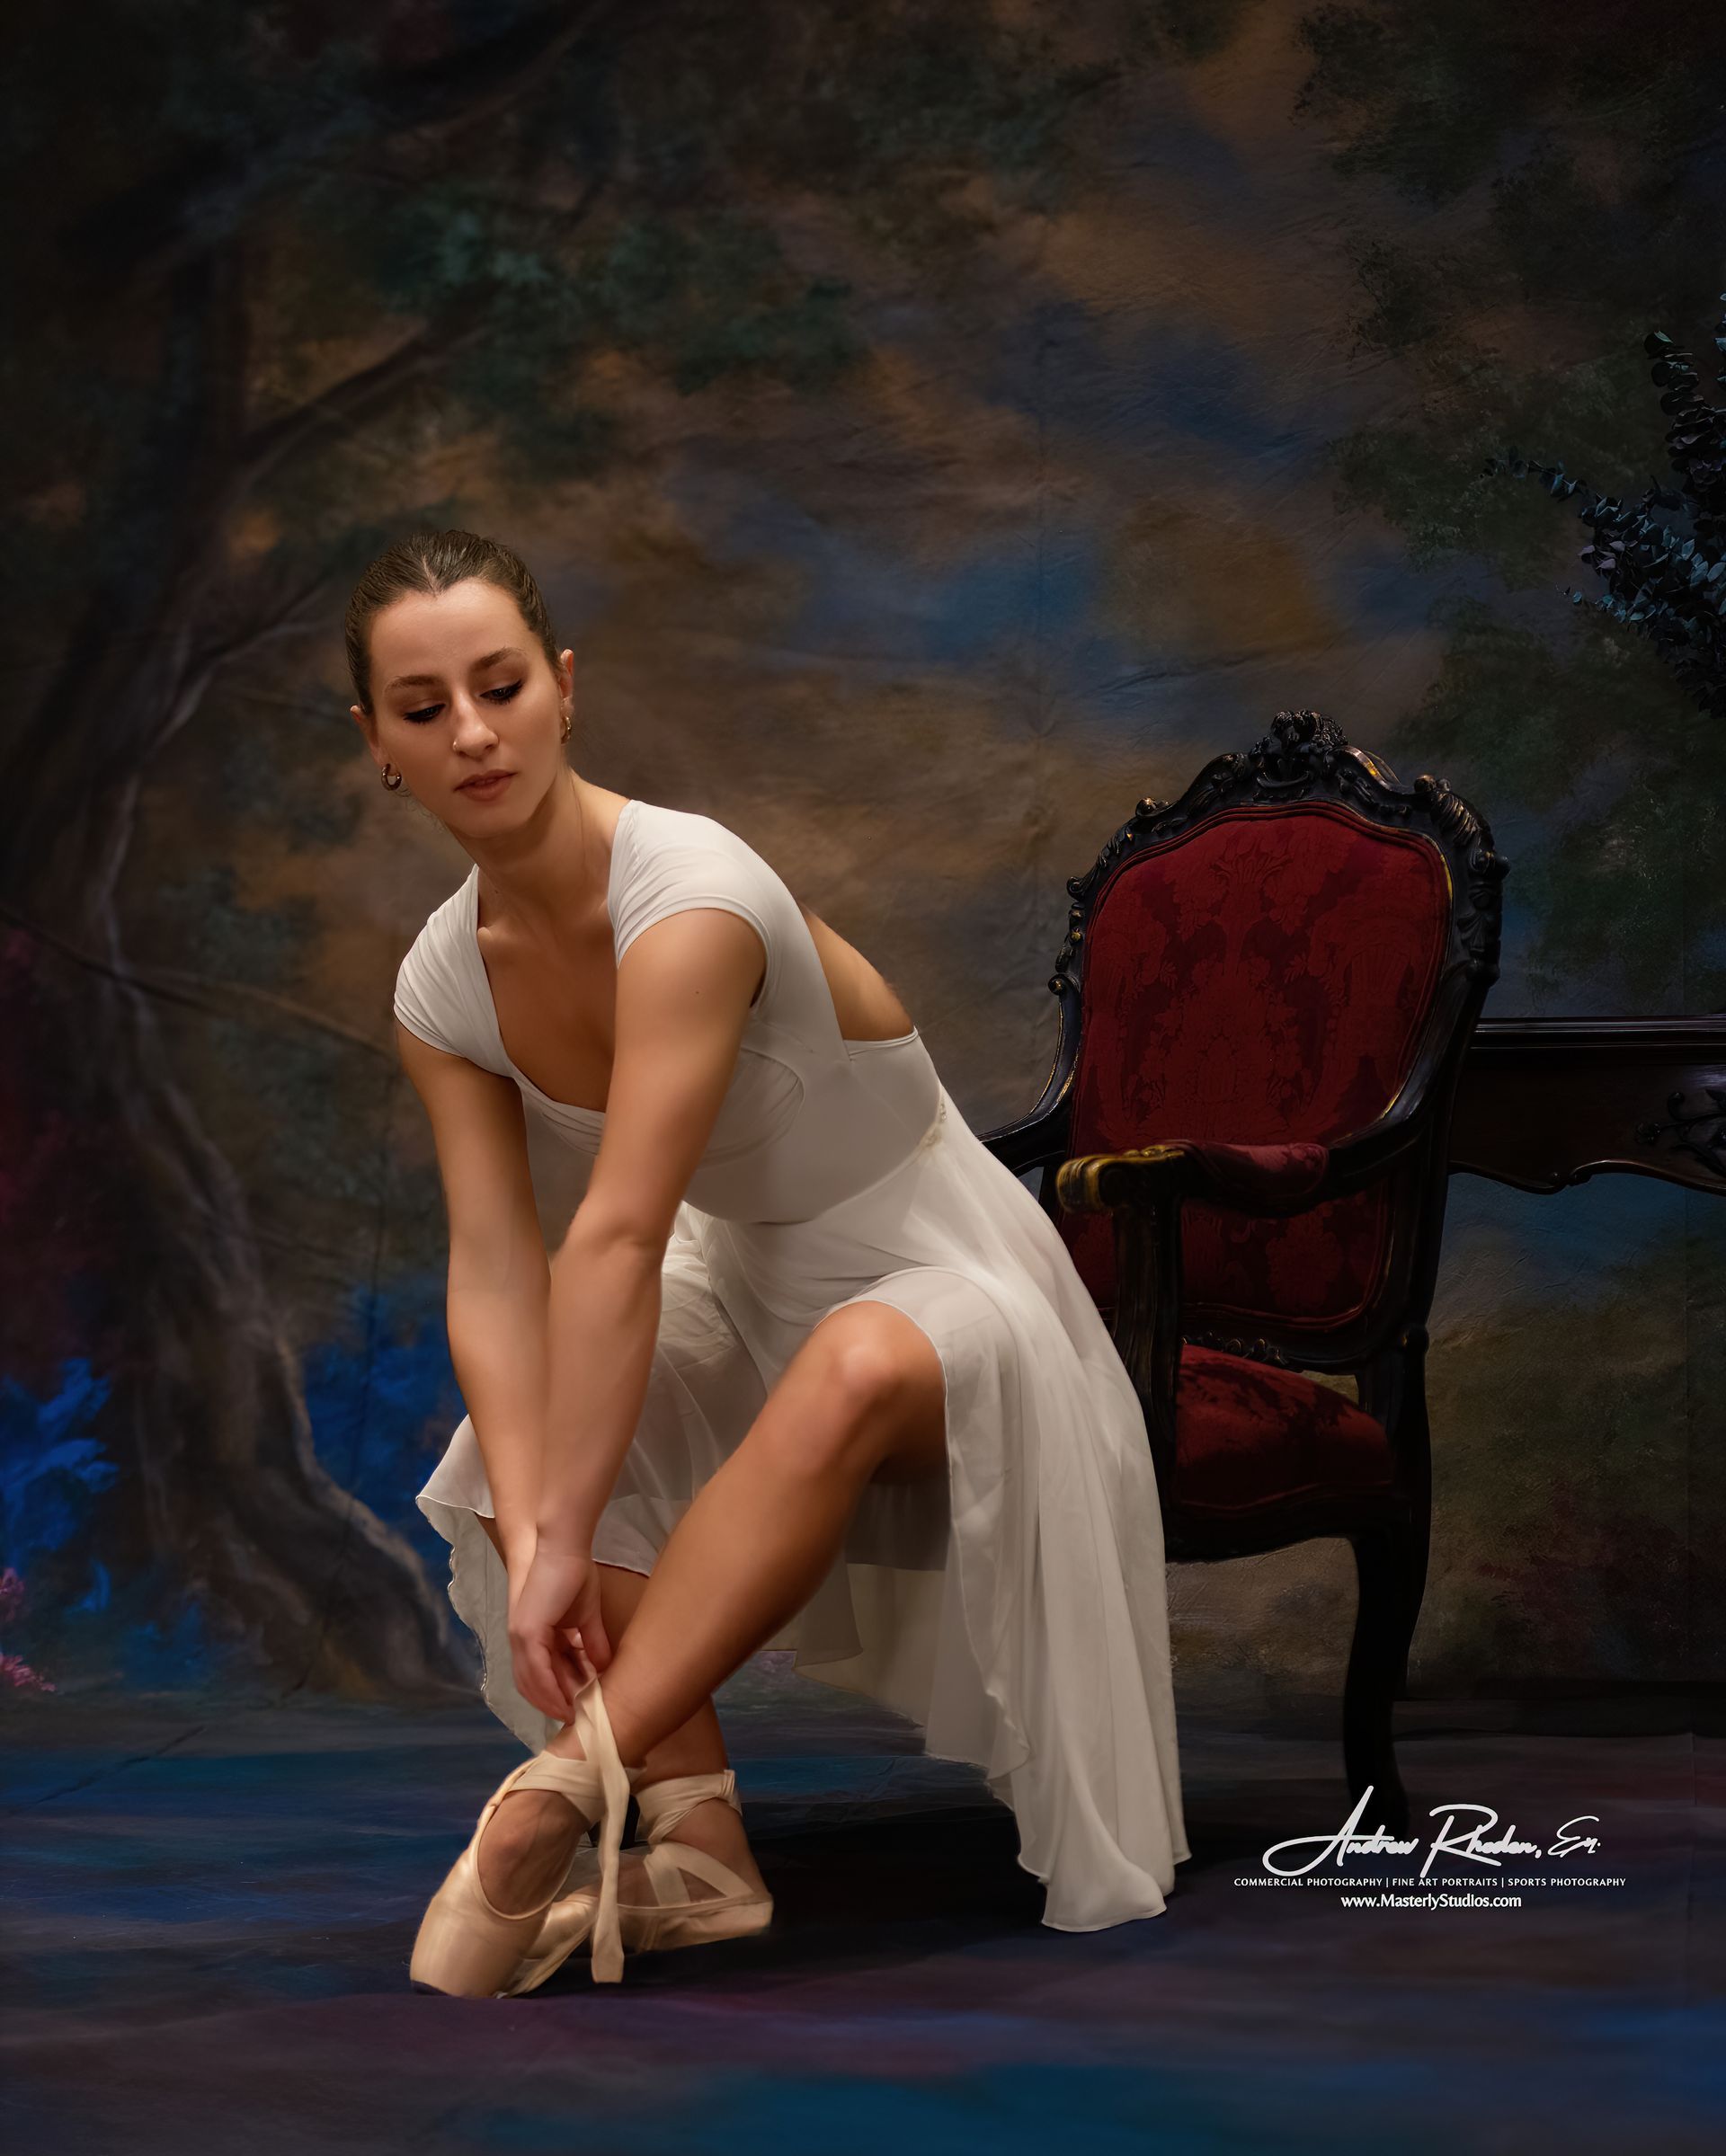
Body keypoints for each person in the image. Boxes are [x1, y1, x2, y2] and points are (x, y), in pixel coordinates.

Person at [347, 528, 1189, 1993]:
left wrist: (565, 1547)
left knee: (847, 1355)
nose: (473, 735)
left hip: (939, 1273)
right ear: (377, 745)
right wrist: (544, 1525)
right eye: (424, 711)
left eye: (500, 688)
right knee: (514, 1433)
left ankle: (554, 1790)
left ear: (563, 688)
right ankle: (693, 1840)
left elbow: (613, 1227)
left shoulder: (693, 894)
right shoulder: (440, 981)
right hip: (727, 1274)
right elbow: (492, 1266)